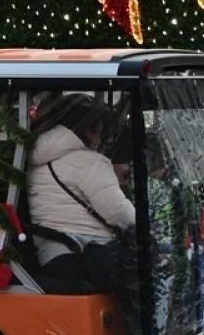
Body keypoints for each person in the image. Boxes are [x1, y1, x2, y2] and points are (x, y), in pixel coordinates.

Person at [25, 95, 136, 292]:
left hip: (52, 255)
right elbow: (119, 213)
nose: (101, 139)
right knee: (152, 268)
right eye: (100, 132)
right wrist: (147, 226)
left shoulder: (36, 159)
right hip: (83, 252)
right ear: (89, 131)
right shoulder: (90, 162)